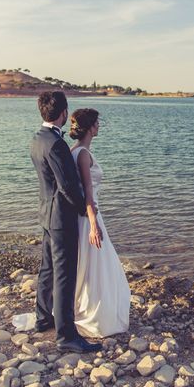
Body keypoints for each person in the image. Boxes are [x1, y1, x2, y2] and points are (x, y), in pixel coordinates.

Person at [29, 91, 102, 353]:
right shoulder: (56, 144)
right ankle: (66, 336)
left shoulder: (38, 139)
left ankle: (42, 318)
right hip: (61, 218)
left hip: (45, 214)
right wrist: (85, 211)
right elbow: (68, 187)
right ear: (62, 113)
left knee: (47, 269)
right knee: (64, 275)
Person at [69, 108, 130, 337]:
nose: (99, 126)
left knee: (89, 265)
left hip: (85, 216)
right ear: (90, 127)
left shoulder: (74, 151)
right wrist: (94, 225)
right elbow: (87, 192)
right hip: (89, 216)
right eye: (97, 123)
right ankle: (95, 315)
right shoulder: (83, 154)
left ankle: (82, 308)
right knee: (99, 265)